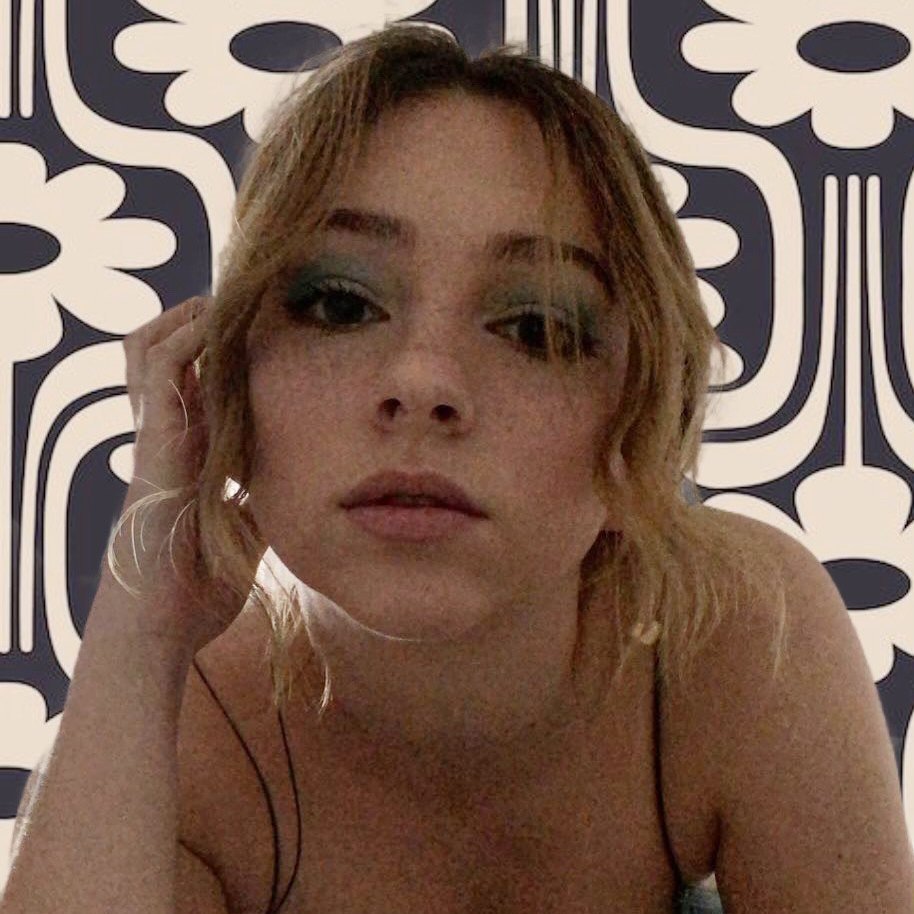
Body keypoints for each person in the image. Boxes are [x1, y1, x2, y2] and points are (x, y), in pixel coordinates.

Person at [6, 23, 912, 914]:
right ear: (227, 384)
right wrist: (138, 631)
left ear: (640, 423)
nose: (423, 382)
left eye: (535, 326)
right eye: (339, 304)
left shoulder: (740, 632)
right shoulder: (176, 739)